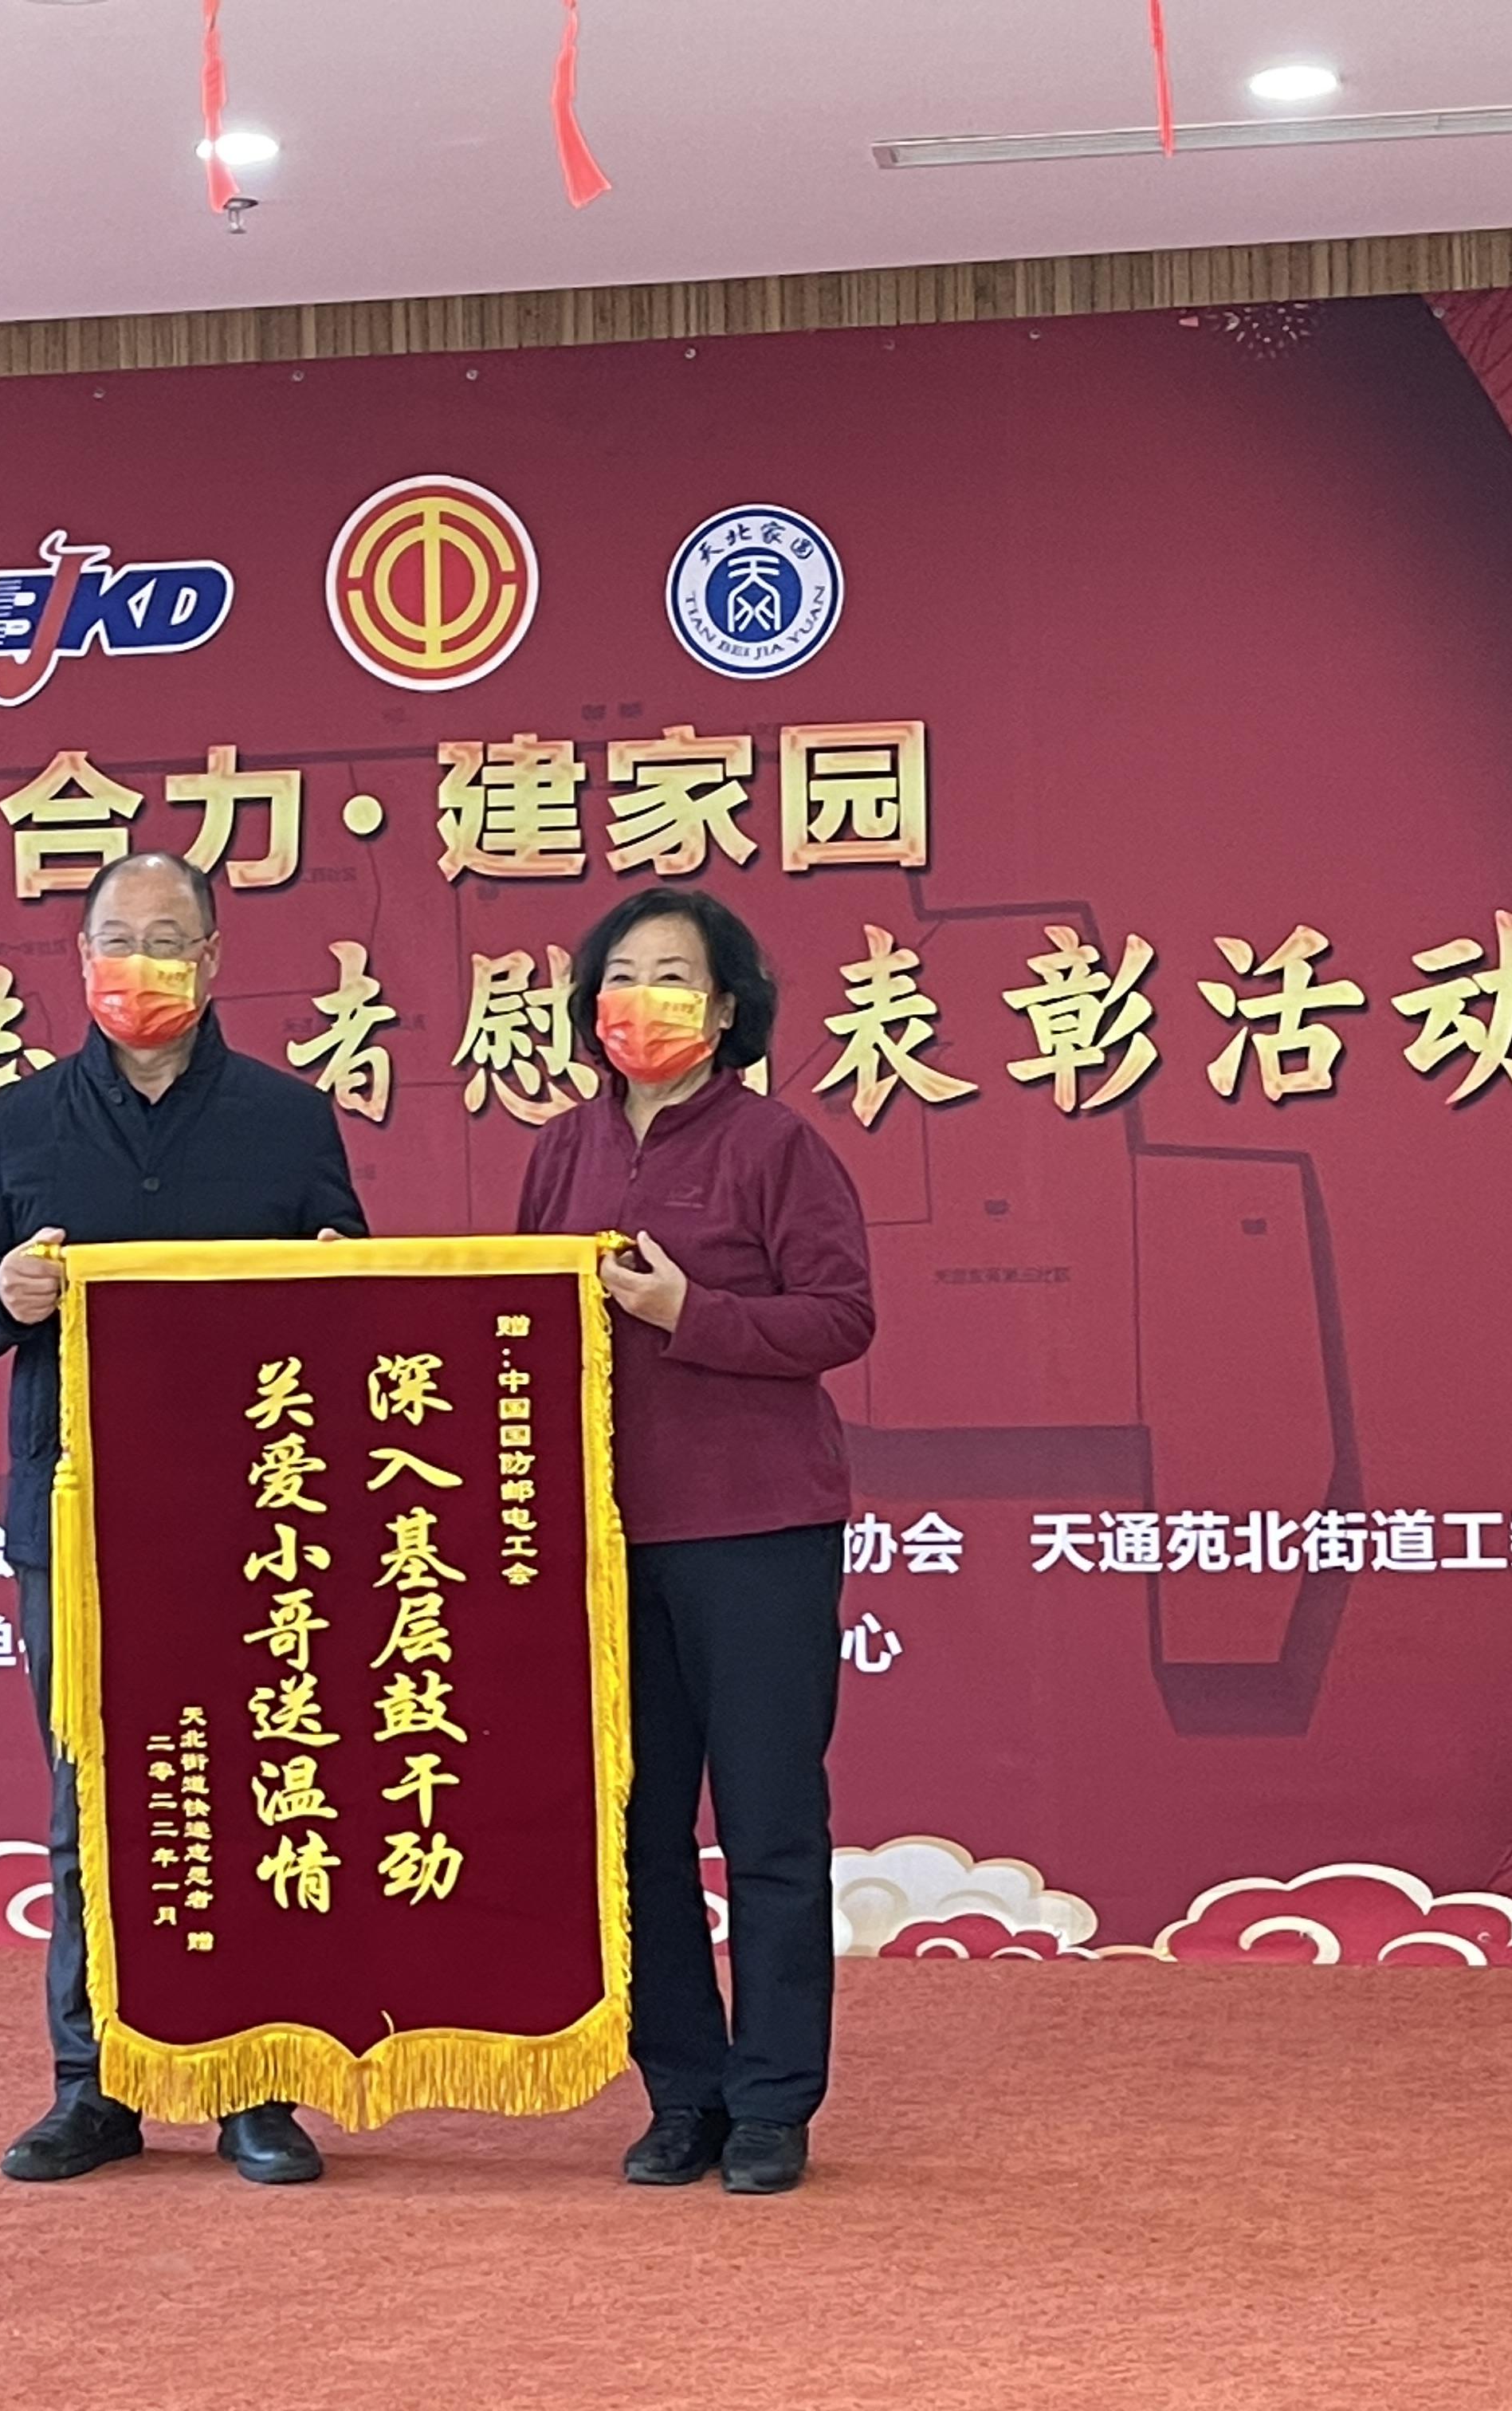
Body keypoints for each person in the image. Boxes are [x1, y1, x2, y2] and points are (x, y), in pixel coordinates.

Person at [0, 851, 367, 2185]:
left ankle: (255, 2088)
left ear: (215, 959)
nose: (142, 964)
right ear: (81, 960)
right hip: (79, 1523)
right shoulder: (18, 1124)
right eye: (119, 938)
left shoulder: (289, 1123)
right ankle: (96, 2086)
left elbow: (362, 1291)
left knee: (265, 1791)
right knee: (92, 1802)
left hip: (256, 1522)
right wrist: (1, 1293)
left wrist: (340, 1284)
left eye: (169, 939)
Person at [516, 887, 873, 2196]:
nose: (642, 1001)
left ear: (725, 1009)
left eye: (674, 977)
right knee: (634, 1831)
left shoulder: (777, 1145)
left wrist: (691, 1311)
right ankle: (685, 2093)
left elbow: (841, 1317)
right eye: (621, 975)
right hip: (605, 1543)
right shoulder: (560, 1150)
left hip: (757, 1531)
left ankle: (774, 2103)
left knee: (770, 1825)